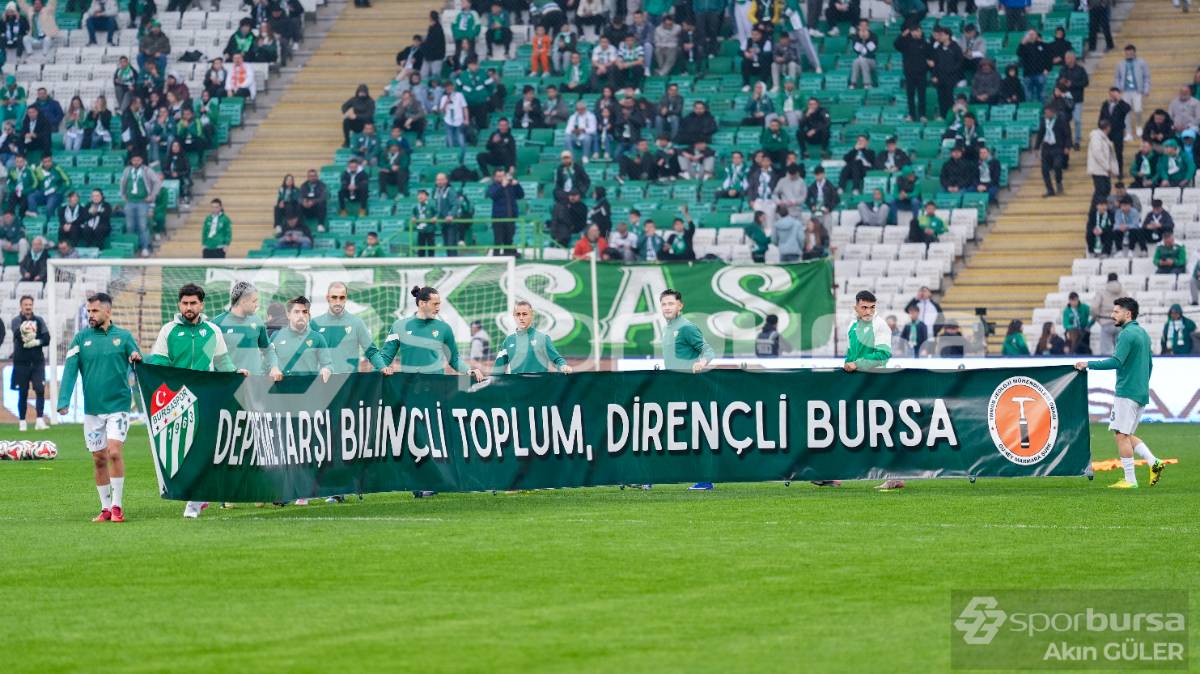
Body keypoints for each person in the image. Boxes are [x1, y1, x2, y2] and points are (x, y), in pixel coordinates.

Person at [146, 284, 247, 518]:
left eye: (193, 303)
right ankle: (196, 496)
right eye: (185, 303)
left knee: (203, 449)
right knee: (184, 452)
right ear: (179, 304)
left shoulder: (212, 331)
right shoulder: (168, 331)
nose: (188, 308)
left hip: (205, 397)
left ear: (201, 305)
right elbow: (160, 364)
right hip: (177, 400)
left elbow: (223, 363)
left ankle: (194, 501)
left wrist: (235, 374)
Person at [56, 293, 142, 522]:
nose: (90, 315)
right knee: (98, 458)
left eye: (94, 311)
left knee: (113, 452)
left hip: (119, 406)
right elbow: (70, 370)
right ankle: (105, 508)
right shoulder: (80, 339)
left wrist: (136, 357)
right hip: (93, 409)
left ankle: (117, 506)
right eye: (88, 311)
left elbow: (137, 360)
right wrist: (63, 400)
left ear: (108, 311)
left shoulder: (123, 337)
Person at [1075, 297, 1164, 489]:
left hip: (1127, 393)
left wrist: (1087, 364)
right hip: (1140, 392)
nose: (1112, 315)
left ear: (1127, 314)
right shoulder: (1142, 333)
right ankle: (1154, 462)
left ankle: (1130, 481)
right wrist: (1141, 385)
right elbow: (1150, 365)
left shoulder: (1127, 335)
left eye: (1116, 312)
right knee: (1126, 434)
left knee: (1121, 436)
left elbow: (1116, 361)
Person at [842, 290, 902, 489]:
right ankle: (835, 474)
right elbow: (850, 353)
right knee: (853, 429)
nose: (868, 311)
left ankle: (895, 476)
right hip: (859, 383)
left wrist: (857, 364)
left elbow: (883, 355)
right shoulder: (852, 326)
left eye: (872, 307)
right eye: (864, 307)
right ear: (856, 307)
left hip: (877, 383)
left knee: (883, 431)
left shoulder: (880, 325)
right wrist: (848, 364)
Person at [657, 288, 715, 490]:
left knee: (696, 432)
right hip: (674, 388)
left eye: (671, 303)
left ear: (680, 306)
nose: (667, 307)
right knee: (665, 432)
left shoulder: (686, 327)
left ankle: (706, 479)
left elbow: (708, 350)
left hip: (691, 388)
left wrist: (701, 362)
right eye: (664, 304)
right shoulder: (667, 328)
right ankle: (650, 477)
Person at [212, 280, 282, 378]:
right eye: (254, 301)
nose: (257, 305)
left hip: (254, 384)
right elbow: (210, 357)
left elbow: (268, 349)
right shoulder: (216, 324)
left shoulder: (257, 321)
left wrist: (274, 367)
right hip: (227, 384)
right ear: (242, 301)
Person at [493, 301, 571, 374]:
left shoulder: (543, 338)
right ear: (514, 316)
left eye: (524, 314)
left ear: (531, 315)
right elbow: (498, 369)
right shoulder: (508, 341)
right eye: (518, 314)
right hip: (517, 387)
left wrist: (563, 366)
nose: (521, 317)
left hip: (538, 387)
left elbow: (557, 359)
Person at [270, 296, 332, 381]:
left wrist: (326, 369)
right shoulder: (275, 336)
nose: (301, 315)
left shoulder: (318, 338)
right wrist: (273, 368)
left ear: (309, 315)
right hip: (282, 390)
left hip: (309, 391)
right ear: (288, 315)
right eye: (296, 312)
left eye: (304, 312)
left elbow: (327, 364)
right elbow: (266, 361)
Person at [10, 294, 48, 431]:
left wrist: (36, 341)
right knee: (23, 392)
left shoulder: (39, 320)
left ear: (33, 306)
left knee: (40, 389)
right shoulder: (16, 321)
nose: (28, 307)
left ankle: (39, 420)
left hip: (37, 363)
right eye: (25, 305)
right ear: (21, 306)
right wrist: (27, 339)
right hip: (21, 363)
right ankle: (22, 421)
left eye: (30, 305)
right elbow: (17, 336)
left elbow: (47, 338)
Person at [119, 154, 160, 257]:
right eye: (134, 160)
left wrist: (152, 195)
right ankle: (132, 247)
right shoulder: (127, 170)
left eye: (138, 159)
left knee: (143, 226)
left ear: (141, 160)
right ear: (131, 161)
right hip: (130, 202)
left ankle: (145, 247)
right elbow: (122, 182)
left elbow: (157, 182)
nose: (136, 162)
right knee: (130, 226)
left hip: (143, 202)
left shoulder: (147, 170)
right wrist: (123, 195)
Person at [894, 23, 930, 121]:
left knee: (922, 95)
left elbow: (930, 55)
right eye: (914, 31)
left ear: (921, 31)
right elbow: (896, 45)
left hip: (922, 73)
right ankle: (911, 115)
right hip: (909, 73)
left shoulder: (925, 42)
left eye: (918, 31)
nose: (916, 33)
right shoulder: (906, 42)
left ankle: (922, 115)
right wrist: (902, 35)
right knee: (910, 95)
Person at [1035, 104, 1070, 197]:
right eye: (1045, 113)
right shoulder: (1043, 120)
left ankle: (1059, 182)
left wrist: (1067, 146)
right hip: (1046, 147)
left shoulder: (1061, 120)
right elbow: (1040, 134)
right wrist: (1037, 147)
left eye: (1047, 113)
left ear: (1053, 112)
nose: (1046, 114)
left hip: (1057, 147)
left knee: (1057, 166)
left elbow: (1067, 134)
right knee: (1044, 170)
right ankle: (1050, 190)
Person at [1087, 120, 1119, 205]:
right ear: (1108, 127)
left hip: (1103, 170)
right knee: (1101, 192)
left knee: (1105, 190)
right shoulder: (1096, 136)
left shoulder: (1103, 137)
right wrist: (1107, 167)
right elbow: (1097, 153)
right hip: (1098, 170)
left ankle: (1099, 211)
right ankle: (1094, 212)